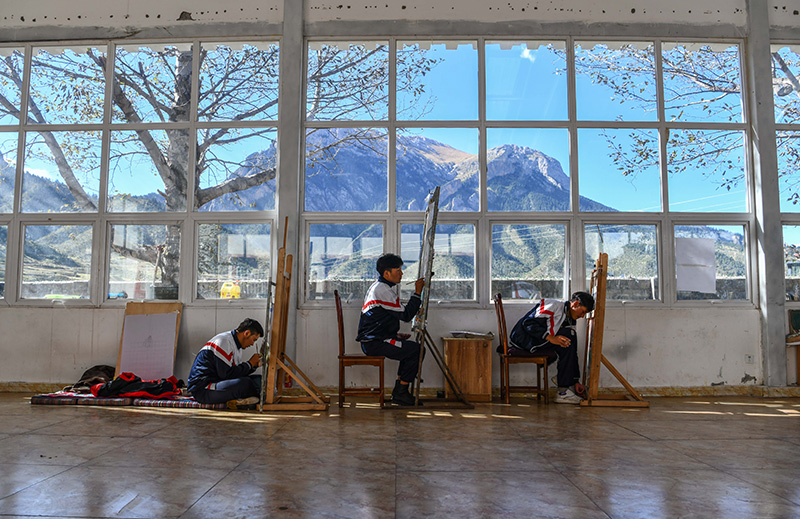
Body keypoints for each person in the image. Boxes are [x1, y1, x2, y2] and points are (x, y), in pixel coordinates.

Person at [356, 253, 426, 406]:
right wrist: (417, 292)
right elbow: (406, 315)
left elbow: (383, 318)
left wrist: (394, 335)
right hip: (374, 342)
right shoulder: (382, 290)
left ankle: (400, 391)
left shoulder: (381, 287)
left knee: (411, 349)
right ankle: (401, 392)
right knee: (416, 351)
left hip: (377, 339)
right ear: (386, 273)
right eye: (398, 270)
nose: (401, 273)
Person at [509, 291, 595, 404]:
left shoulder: (570, 317)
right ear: (575, 304)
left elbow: (572, 350)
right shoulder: (554, 306)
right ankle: (563, 391)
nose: (582, 316)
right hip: (523, 339)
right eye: (583, 312)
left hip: (536, 340)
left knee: (569, 340)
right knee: (568, 337)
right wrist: (551, 338)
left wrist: (575, 380)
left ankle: (565, 383)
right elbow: (528, 323)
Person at [187, 318, 264, 406]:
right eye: (254, 340)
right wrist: (249, 364)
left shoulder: (237, 346)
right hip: (203, 390)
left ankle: (251, 397)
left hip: (217, 384)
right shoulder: (224, 341)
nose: (252, 344)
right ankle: (253, 397)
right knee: (245, 383)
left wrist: (253, 366)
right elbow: (226, 375)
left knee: (259, 380)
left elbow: (236, 373)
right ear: (247, 333)